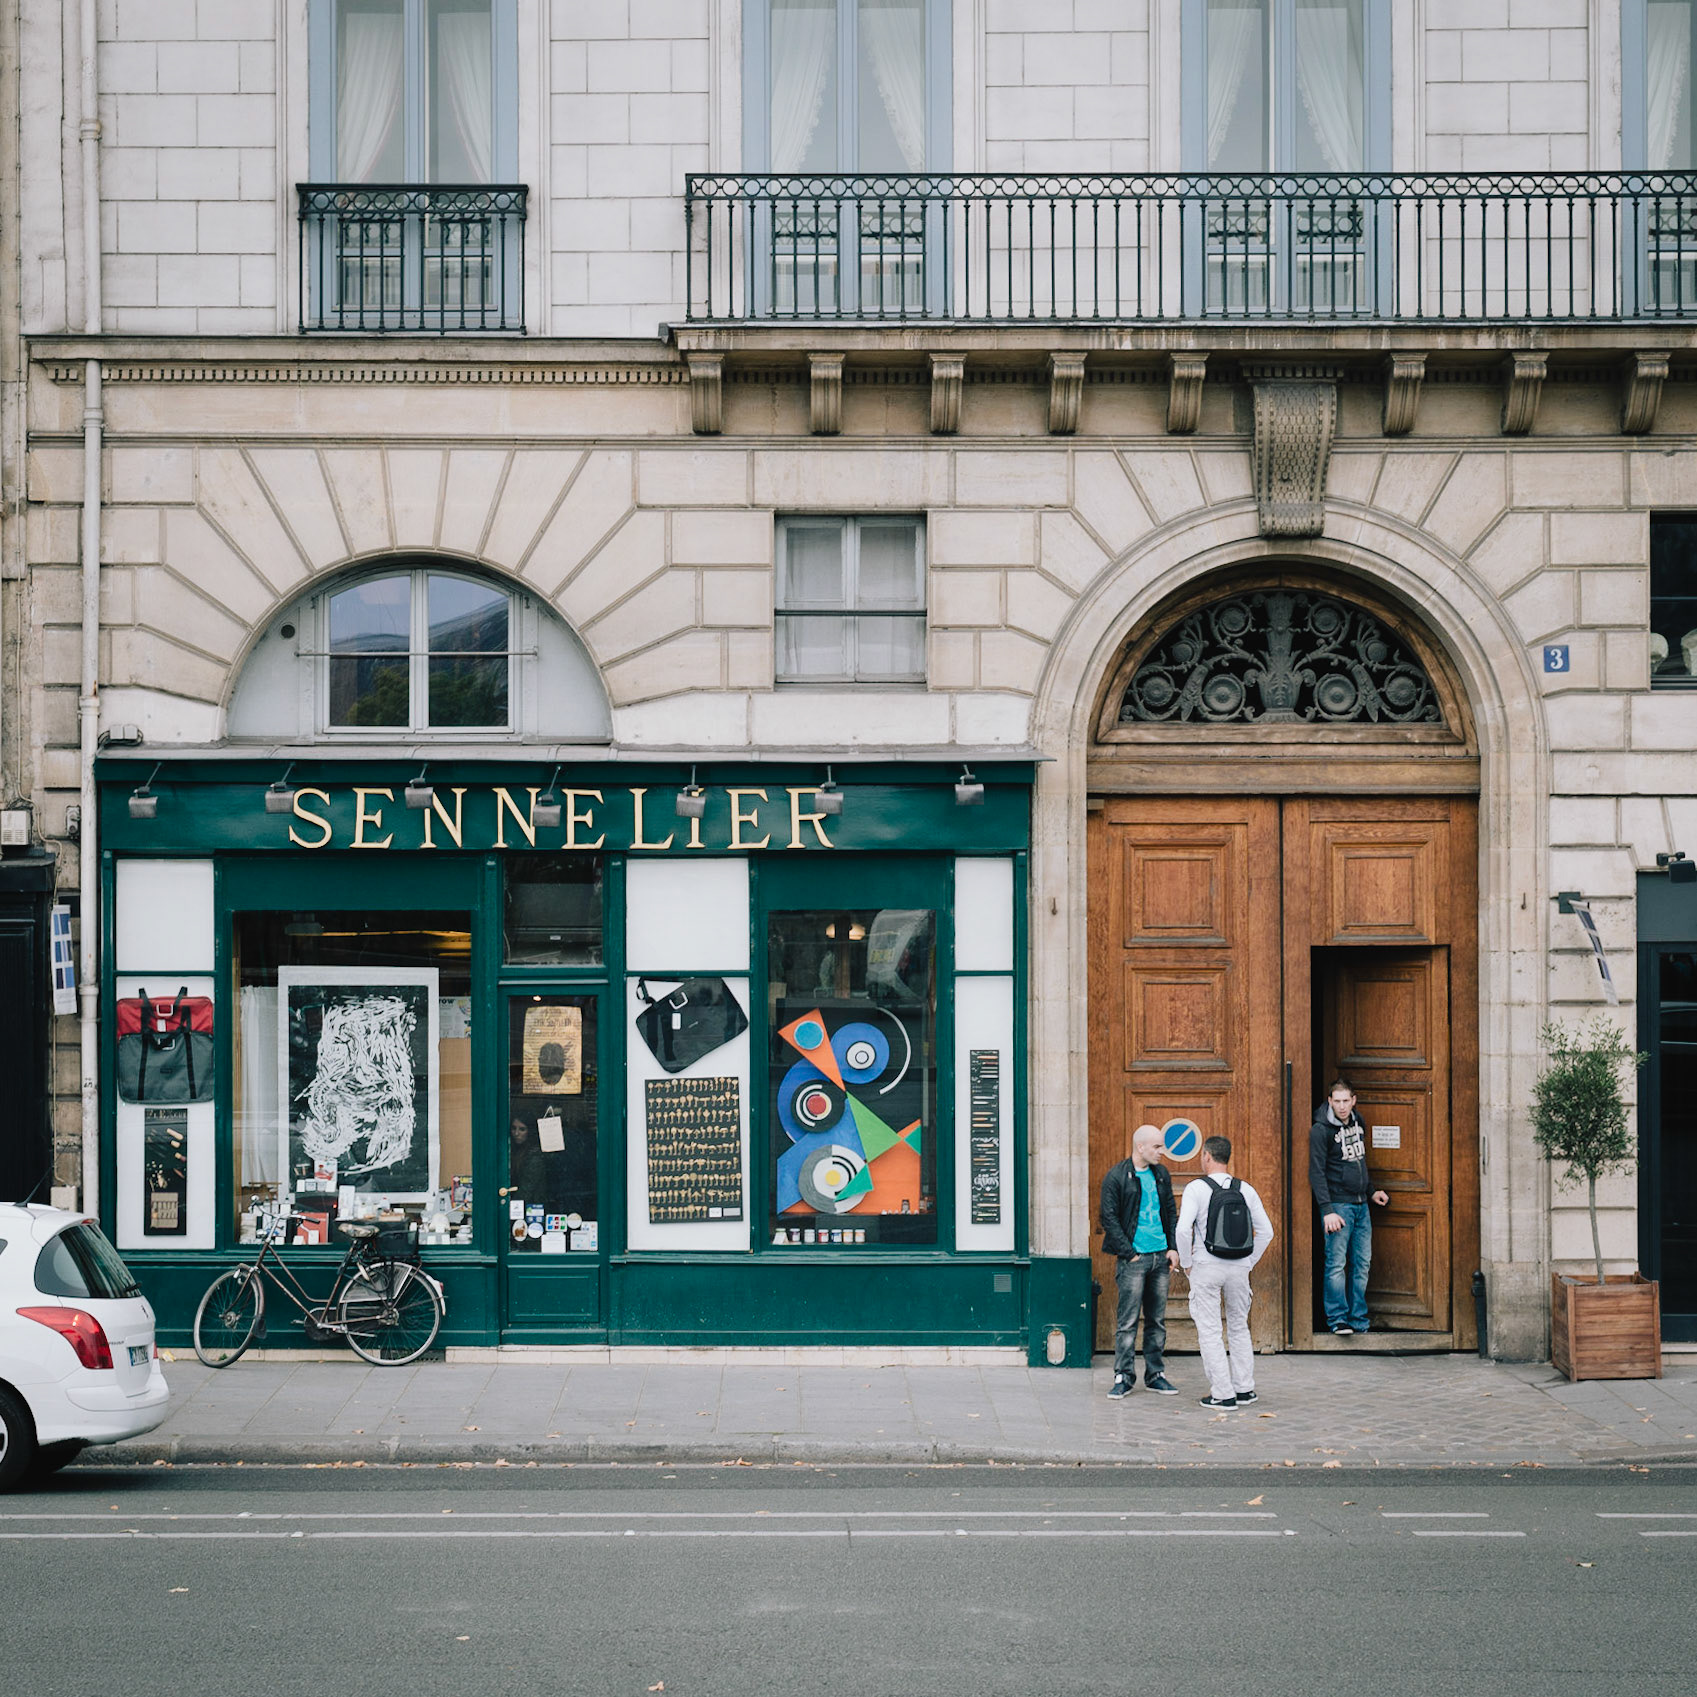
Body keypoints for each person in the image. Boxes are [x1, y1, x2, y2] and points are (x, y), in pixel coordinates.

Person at [1175, 1135, 1273, 1410]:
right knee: (1239, 1327)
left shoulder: (1197, 1188)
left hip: (1206, 1265)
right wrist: (1249, 1261)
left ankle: (1222, 1394)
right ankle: (1245, 1389)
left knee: (1210, 1330)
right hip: (1239, 1267)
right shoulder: (1246, 1189)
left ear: (1206, 1156)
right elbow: (1267, 1232)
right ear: (1227, 1157)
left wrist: (1187, 1263)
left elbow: (1183, 1230)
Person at [1097, 1123, 1181, 1398]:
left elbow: (1170, 1210)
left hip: (1160, 1257)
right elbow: (1107, 1218)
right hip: (1134, 1260)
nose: (1162, 1152)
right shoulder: (1117, 1176)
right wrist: (1129, 1253)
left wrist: (1172, 1247)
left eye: (1162, 1146)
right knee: (1128, 1321)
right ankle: (1123, 1376)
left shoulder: (1161, 1174)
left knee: (1157, 1320)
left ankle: (1155, 1374)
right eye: (1157, 1147)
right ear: (1140, 1147)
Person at [1308, 1078, 1390, 1336]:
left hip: (1362, 1205)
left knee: (1362, 1263)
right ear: (1330, 1101)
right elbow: (1317, 1172)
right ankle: (1338, 1320)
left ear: (1353, 1100)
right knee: (1336, 1264)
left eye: (1346, 1101)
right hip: (1339, 1207)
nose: (1342, 1106)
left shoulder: (1358, 1122)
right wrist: (1327, 1210)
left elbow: (1359, 1161)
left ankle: (1358, 1319)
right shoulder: (1321, 1131)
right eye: (1337, 1101)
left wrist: (1371, 1191)